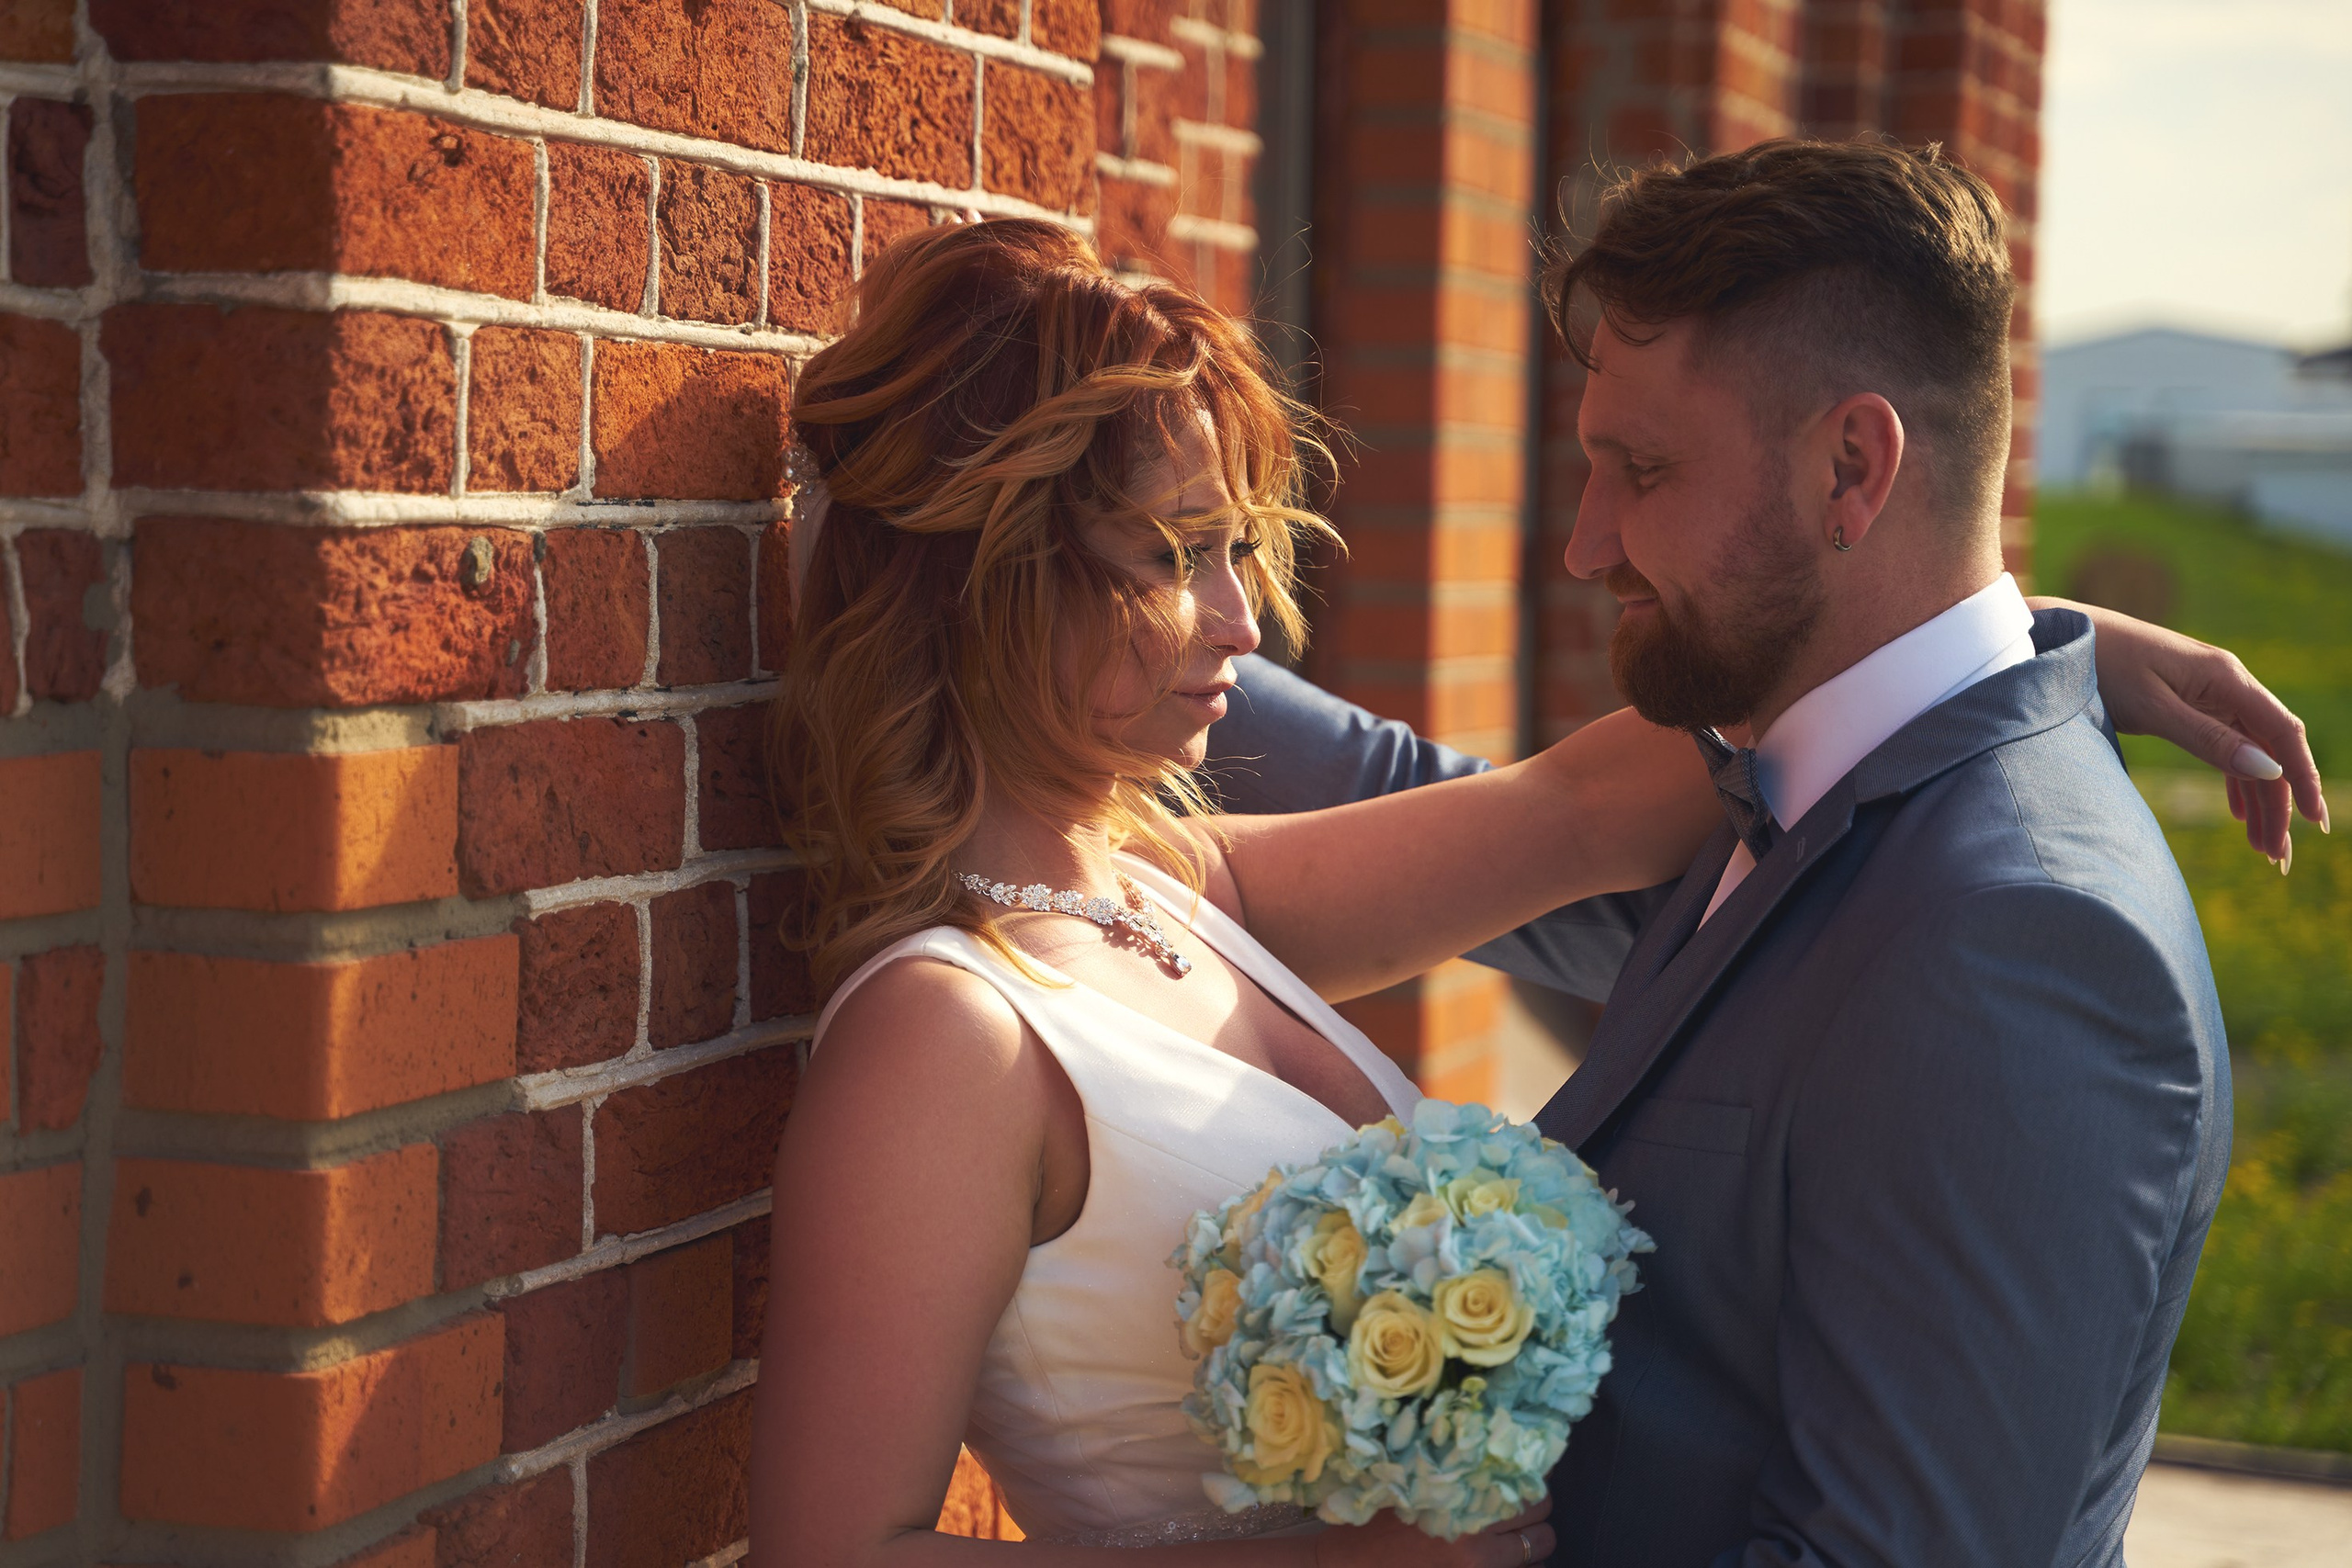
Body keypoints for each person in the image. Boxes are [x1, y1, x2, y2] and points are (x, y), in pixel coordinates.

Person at [747, 214, 2317, 1566]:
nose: (1244, 617)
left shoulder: (1172, 887)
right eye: (1176, 558)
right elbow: (828, 1549)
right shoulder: (942, 1040)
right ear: (996, 573)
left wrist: (2048, 644)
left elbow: (1582, 804)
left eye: (1241, 545)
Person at [1206, 141, 2330, 1568]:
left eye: (1645, 472)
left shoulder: (2017, 941)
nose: (1584, 541)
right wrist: (1093, 610)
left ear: (1854, 468)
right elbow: (1425, 808)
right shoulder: (1797, 775)